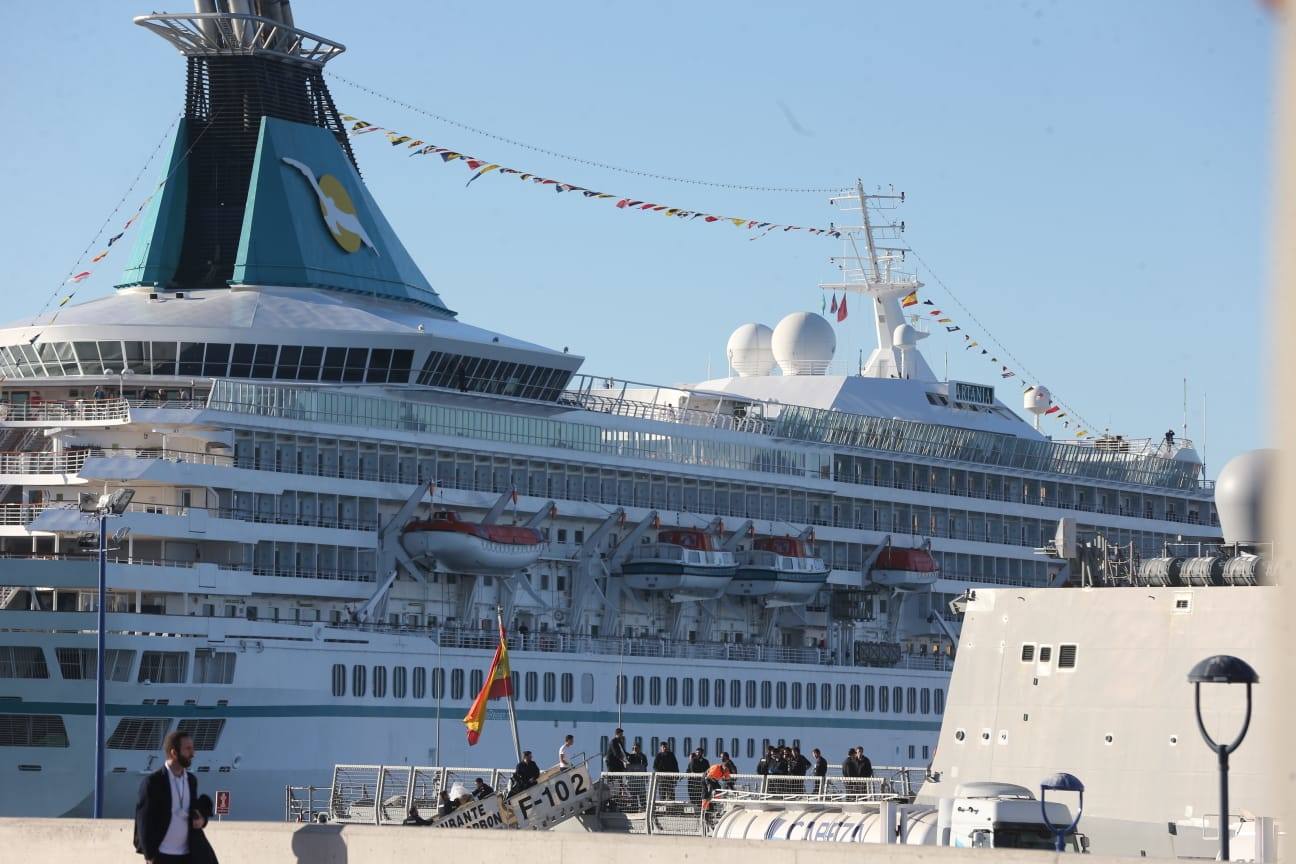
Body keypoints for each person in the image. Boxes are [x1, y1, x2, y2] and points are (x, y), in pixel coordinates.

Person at [134, 729, 206, 864]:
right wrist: (150, 856)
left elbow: (194, 809)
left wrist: (202, 818)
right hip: (161, 856)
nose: (193, 754)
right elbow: (143, 821)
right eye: (188, 749)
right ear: (174, 753)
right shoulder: (152, 782)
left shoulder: (191, 781)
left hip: (188, 856)